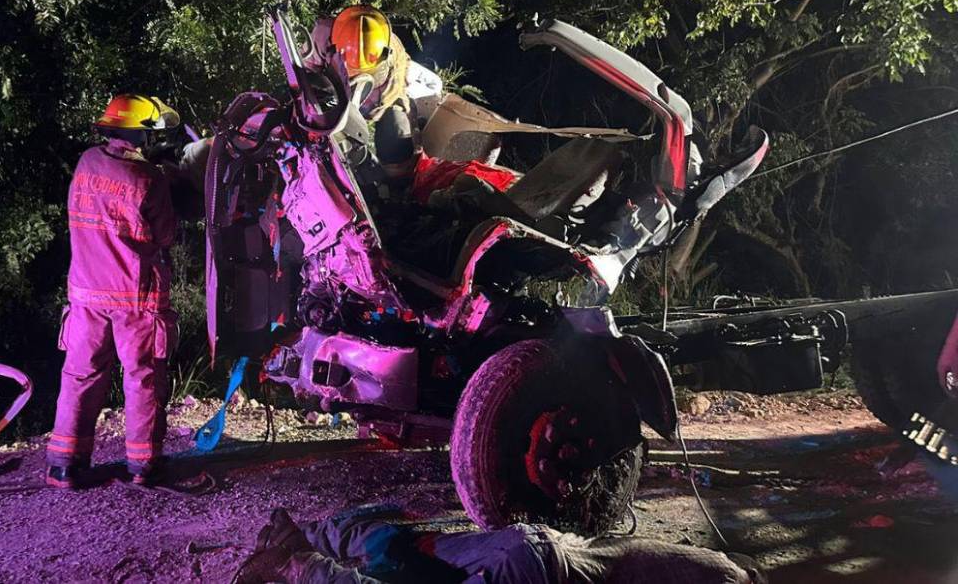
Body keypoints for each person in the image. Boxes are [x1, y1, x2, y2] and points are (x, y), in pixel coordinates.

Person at [44, 94, 186, 489]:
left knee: (79, 376)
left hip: (86, 295)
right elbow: (165, 235)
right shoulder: (149, 180)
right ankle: (143, 466)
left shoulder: (87, 162)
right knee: (142, 380)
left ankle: (64, 465)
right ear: (141, 136)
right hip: (134, 300)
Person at [234, 507, 765, 584]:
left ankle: (302, 542)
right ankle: (297, 563)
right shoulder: (722, 579)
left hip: (532, 550)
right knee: (396, 557)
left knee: (401, 548)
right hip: (534, 569)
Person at [311, 5, 443, 189]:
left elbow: (396, 98)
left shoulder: (394, 61)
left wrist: (408, 126)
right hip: (337, 99)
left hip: (377, 106)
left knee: (395, 139)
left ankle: (397, 186)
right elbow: (306, 71)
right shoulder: (323, 35)